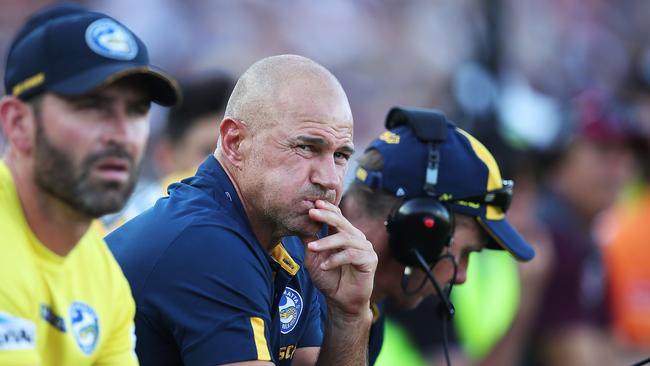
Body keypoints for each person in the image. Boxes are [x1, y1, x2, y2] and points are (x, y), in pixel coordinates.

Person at [106, 54, 377, 366]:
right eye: (306, 147)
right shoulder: (208, 244)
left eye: (341, 155)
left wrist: (350, 316)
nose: (329, 179)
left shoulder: (288, 236)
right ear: (234, 142)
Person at [0, 3, 179, 366]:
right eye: (91, 106)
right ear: (18, 124)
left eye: (137, 110)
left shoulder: (102, 271)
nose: (122, 134)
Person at [318, 107, 536, 365]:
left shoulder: (370, 301)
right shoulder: (293, 272)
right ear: (421, 230)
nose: (462, 275)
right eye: (465, 253)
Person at [101, 75, 235, 231]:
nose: (225, 163)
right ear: (166, 156)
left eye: (234, 146)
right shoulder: (134, 220)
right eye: (207, 151)